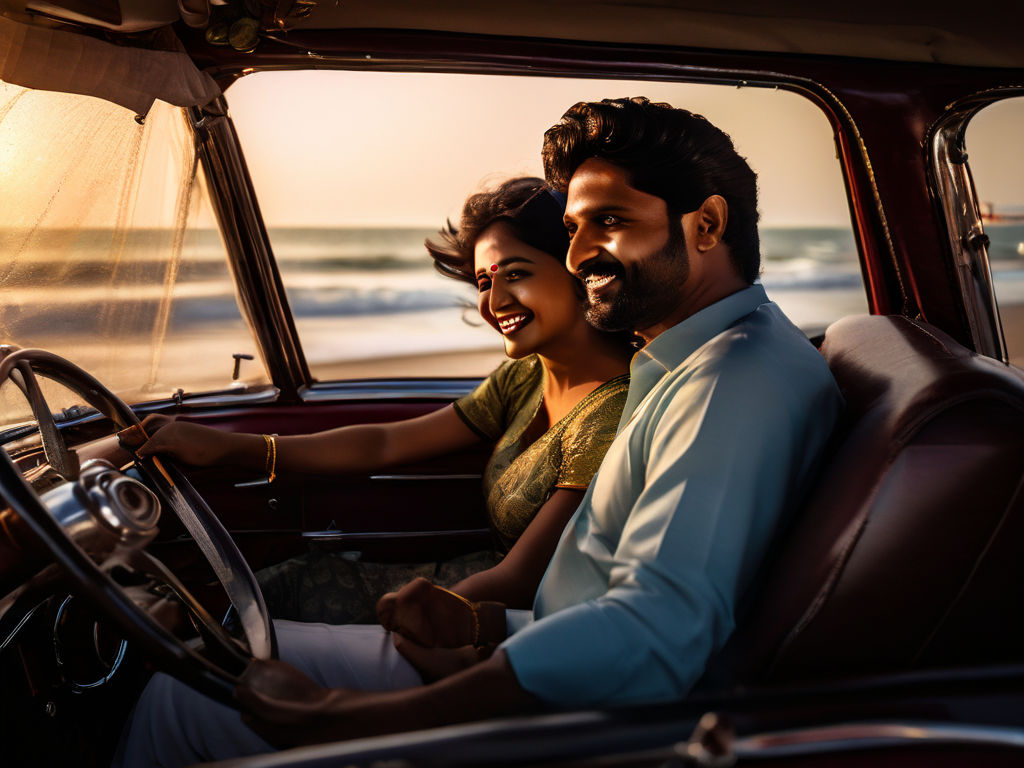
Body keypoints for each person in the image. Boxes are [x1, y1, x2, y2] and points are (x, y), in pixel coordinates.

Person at [117, 98, 844, 767]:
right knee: (213, 663)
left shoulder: (731, 383)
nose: (580, 252)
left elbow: (652, 635)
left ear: (707, 226)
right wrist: (484, 627)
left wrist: (355, 717)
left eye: (610, 223)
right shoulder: (684, 361)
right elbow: (597, 590)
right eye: (572, 229)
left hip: (578, 723)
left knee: (184, 697)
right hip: (532, 651)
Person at [133, 177, 632, 622]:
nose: (494, 301)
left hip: (515, 619)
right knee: (287, 580)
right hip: (476, 582)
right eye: (484, 281)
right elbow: (384, 445)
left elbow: (524, 580)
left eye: (516, 274)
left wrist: (419, 615)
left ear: (576, 270)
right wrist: (231, 448)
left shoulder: (615, 411)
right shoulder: (524, 377)